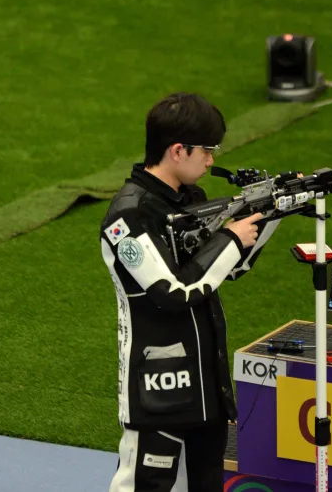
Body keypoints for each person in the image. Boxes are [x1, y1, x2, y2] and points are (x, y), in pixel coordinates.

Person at [102, 93, 283, 492]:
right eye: (207, 150)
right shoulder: (127, 217)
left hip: (205, 390)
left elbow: (228, 269)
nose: (211, 160)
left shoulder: (190, 201)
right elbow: (174, 291)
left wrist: (269, 214)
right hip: (157, 397)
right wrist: (231, 238)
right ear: (178, 150)